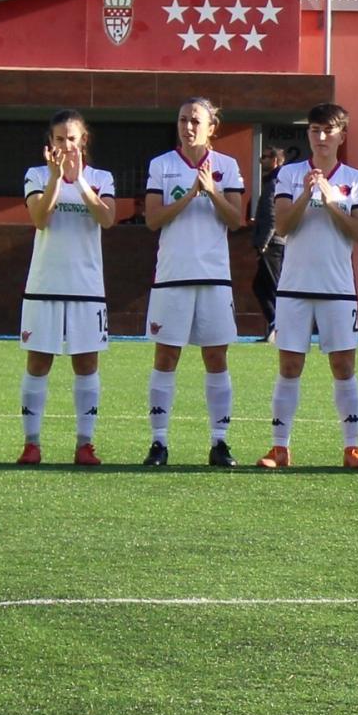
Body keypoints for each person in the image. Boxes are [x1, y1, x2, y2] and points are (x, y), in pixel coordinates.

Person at [257, 104, 358, 469]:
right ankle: (280, 447)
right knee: (290, 365)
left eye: (328, 131)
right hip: (294, 286)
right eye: (314, 130)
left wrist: (329, 199)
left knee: (343, 366)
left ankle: (352, 447)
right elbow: (285, 226)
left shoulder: (356, 179)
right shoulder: (290, 175)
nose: (320, 137)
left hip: (338, 287)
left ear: (342, 135)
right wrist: (308, 194)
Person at [142, 97, 246, 467]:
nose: (188, 126)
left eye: (196, 120)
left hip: (215, 277)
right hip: (171, 276)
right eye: (183, 119)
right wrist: (190, 195)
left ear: (211, 126)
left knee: (216, 357)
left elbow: (237, 221)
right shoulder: (162, 165)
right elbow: (152, 220)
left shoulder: (228, 167)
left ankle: (220, 443)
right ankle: (158, 443)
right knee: (166, 356)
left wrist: (212, 192)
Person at [15, 110, 116, 466]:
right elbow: (40, 218)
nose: (66, 145)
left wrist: (80, 183)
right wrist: (57, 180)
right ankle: (31, 443)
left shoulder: (101, 177)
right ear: (50, 142)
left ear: (83, 140)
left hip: (87, 288)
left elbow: (107, 218)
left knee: (86, 364)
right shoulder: (37, 175)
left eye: (72, 138)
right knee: (38, 363)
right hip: (44, 285)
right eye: (59, 139)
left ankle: (85, 445)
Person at [250, 142, 286, 338]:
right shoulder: (271, 180)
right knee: (261, 286)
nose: (260, 160)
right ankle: (274, 324)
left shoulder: (275, 182)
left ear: (274, 160)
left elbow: (274, 216)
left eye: (264, 157)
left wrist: (263, 243)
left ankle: (279, 326)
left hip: (273, 243)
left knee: (272, 286)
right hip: (272, 242)